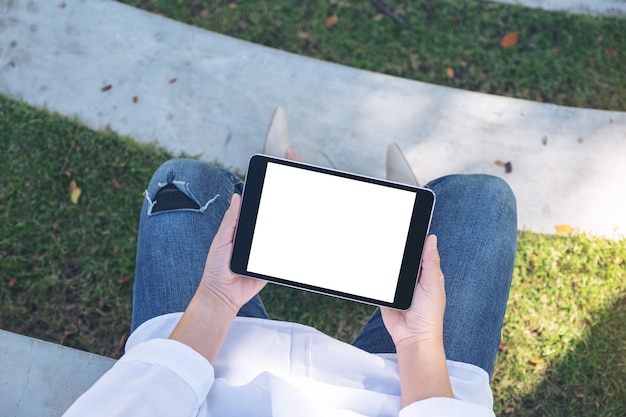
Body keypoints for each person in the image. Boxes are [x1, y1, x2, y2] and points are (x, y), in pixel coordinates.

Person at [63, 109, 517, 417]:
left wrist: (216, 298)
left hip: (206, 367)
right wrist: (419, 341)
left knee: (184, 181)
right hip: (404, 392)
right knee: (481, 200)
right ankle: (403, 224)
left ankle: (300, 192)